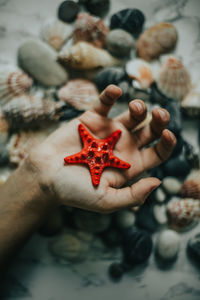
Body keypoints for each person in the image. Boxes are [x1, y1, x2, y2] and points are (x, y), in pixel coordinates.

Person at [0, 84, 176, 272]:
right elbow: (85, 145)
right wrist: (39, 176)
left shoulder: (103, 145)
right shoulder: (90, 146)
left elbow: (101, 146)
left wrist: (38, 180)